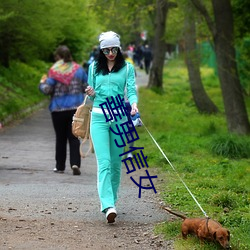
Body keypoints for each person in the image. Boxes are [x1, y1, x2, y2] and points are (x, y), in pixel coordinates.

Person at [85, 31, 138, 223]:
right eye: (106, 50)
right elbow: (91, 97)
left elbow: (131, 90)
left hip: (120, 119)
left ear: (119, 48)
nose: (110, 53)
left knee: (116, 164)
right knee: (104, 162)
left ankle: (113, 201)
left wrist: (133, 104)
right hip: (98, 117)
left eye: (114, 49)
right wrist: (90, 92)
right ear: (101, 50)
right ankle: (107, 205)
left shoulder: (127, 68)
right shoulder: (93, 68)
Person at [39, 45, 88, 175]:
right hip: (75, 109)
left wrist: (42, 83)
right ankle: (75, 163)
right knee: (74, 137)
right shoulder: (79, 70)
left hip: (58, 109)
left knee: (60, 138)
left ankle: (60, 166)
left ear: (58, 57)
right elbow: (86, 87)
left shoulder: (54, 71)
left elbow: (47, 90)